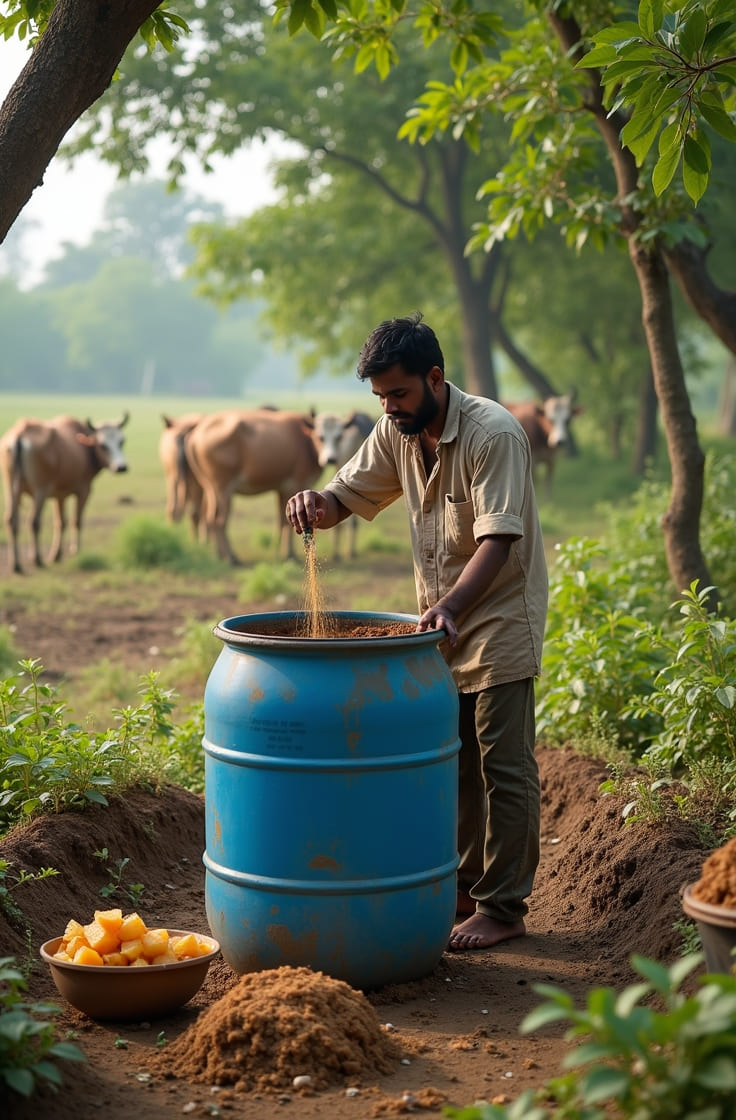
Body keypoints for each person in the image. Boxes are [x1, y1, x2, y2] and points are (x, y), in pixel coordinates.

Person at [285, 312, 548, 951]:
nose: (390, 408)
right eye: (379, 397)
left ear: (435, 377)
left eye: (399, 394)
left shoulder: (494, 434)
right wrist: (315, 504)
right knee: (454, 760)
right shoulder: (396, 432)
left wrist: (455, 605)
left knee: (502, 764)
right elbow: (346, 495)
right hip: (439, 620)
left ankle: (505, 907)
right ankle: (462, 885)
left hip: (496, 615)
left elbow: (498, 538)